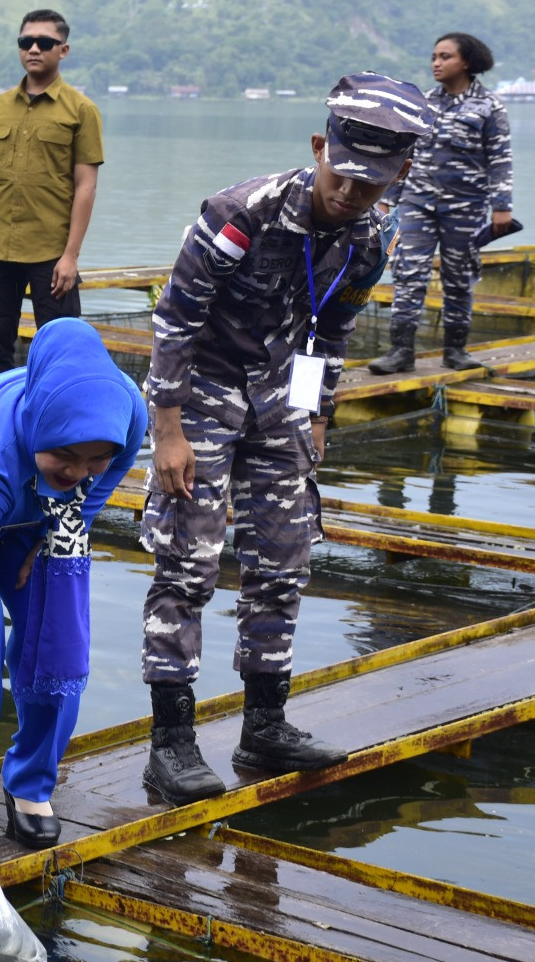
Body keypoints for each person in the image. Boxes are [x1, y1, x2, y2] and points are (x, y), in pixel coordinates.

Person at [139, 73, 433, 805]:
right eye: (343, 176)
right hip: (202, 397)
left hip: (279, 405)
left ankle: (264, 726)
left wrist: (317, 413)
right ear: (317, 147)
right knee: (188, 564)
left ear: (399, 174)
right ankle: (170, 745)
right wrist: (167, 430)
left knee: (282, 559)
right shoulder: (240, 213)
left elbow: (328, 331)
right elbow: (174, 323)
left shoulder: (372, 236)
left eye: (372, 183)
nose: (351, 194)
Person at [0, 318, 145, 848]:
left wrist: (63, 528)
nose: (80, 469)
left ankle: (31, 783)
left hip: (44, 520)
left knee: (57, 643)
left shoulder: (127, 412)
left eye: (93, 457)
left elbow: (108, 473)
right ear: (42, 427)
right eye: (65, 455)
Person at [0, 9, 102, 379]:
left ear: (63, 50)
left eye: (44, 43)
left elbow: (86, 186)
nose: (34, 49)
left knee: (60, 350)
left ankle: (57, 430)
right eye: (26, 42)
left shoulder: (81, 110)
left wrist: (71, 256)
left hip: (51, 256)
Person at [369, 33, 513, 375]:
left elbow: (500, 159)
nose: (436, 62)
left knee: (459, 277)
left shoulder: (490, 107)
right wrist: (388, 200)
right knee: (408, 272)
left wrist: (502, 205)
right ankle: (401, 351)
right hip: (418, 203)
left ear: (466, 62)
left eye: (445, 56)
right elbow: (405, 155)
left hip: (466, 208)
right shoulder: (425, 104)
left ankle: (456, 351)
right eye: (434, 56)